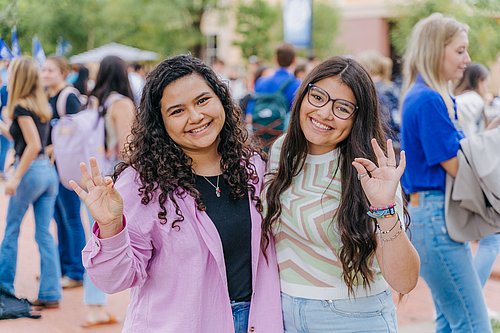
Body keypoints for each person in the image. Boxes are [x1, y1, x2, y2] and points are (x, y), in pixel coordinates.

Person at [71, 54, 283, 332]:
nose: (196, 117)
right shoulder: (141, 183)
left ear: (221, 100)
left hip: (257, 320)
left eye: (202, 100)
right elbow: (115, 280)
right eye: (177, 111)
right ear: (160, 122)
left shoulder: (254, 167)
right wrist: (110, 228)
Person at [262, 56, 420, 332]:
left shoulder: (369, 170)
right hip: (282, 313)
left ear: (358, 118)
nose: (324, 113)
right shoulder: (282, 151)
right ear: (303, 94)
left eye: (342, 108)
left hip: (351, 317)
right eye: (318, 97)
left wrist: (384, 207)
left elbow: (405, 281)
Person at [400, 13, 492, 332]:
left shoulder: (427, 95)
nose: (467, 59)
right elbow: (455, 164)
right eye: (460, 50)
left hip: (433, 216)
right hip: (437, 218)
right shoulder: (428, 99)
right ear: (436, 49)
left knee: (451, 322)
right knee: (473, 323)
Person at [77, 54, 136, 328]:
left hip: (91, 178)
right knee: (120, 242)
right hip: (113, 183)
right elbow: (128, 147)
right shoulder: (120, 103)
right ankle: (96, 307)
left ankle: (95, 305)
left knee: (96, 242)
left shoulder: (92, 101)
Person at [0, 56, 61, 308]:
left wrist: (14, 177)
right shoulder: (41, 105)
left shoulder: (20, 107)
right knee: (44, 234)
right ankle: (51, 292)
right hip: (47, 173)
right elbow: (28, 138)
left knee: (11, 231)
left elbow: (33, 144)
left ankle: (4, 290)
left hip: (30, 173)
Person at [454, 63, 500, 321]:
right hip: (471, 175)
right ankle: (473, 299)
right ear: (479, 80)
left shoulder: (466, 99)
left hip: (468, 174)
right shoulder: (471, 99)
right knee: (492, 238)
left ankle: (473, 300)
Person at [41, 55, 86, 289]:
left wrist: (55, 147)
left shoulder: (69, 97)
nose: (45, 74)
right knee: (58, 217)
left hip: (67, 166)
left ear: (63, 72)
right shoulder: (47, 96)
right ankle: (61, 266)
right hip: (52, 166)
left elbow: (78, 132)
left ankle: (76, 271)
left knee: (70, 217)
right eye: (44, 70)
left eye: (50, 70)